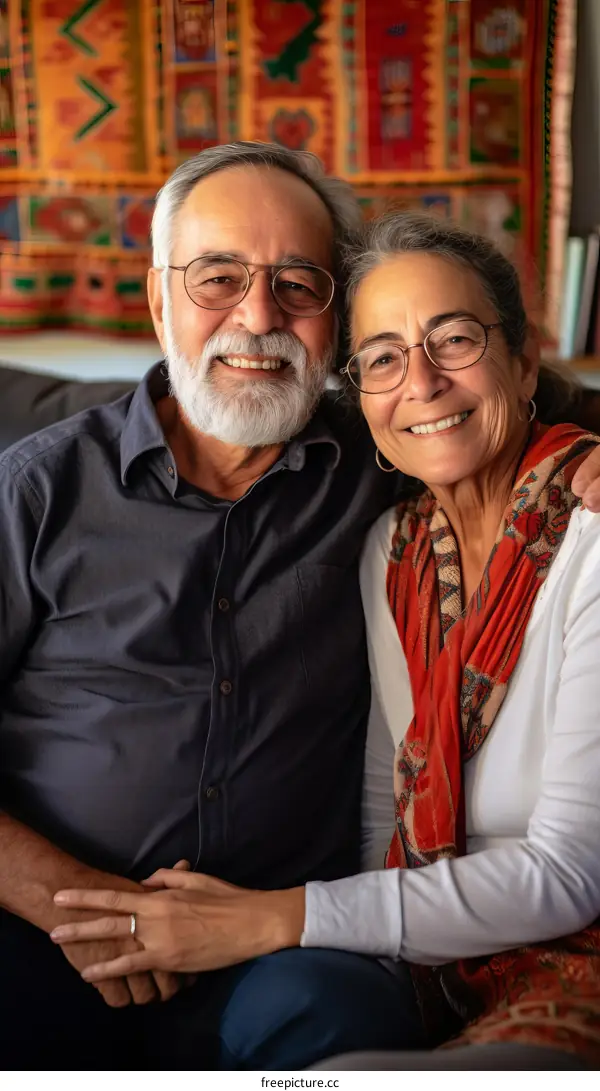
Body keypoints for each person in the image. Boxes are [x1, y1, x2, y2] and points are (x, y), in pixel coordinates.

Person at [54, 211, 600, 1072]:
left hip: (575, 955)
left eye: (453, 339)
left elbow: (573, 875)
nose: (418, 382)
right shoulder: (399, 549)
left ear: (526, 360)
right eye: (382, 356)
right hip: (427, 958)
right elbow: (385, 818)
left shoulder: (593, 534)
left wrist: (266, 919)